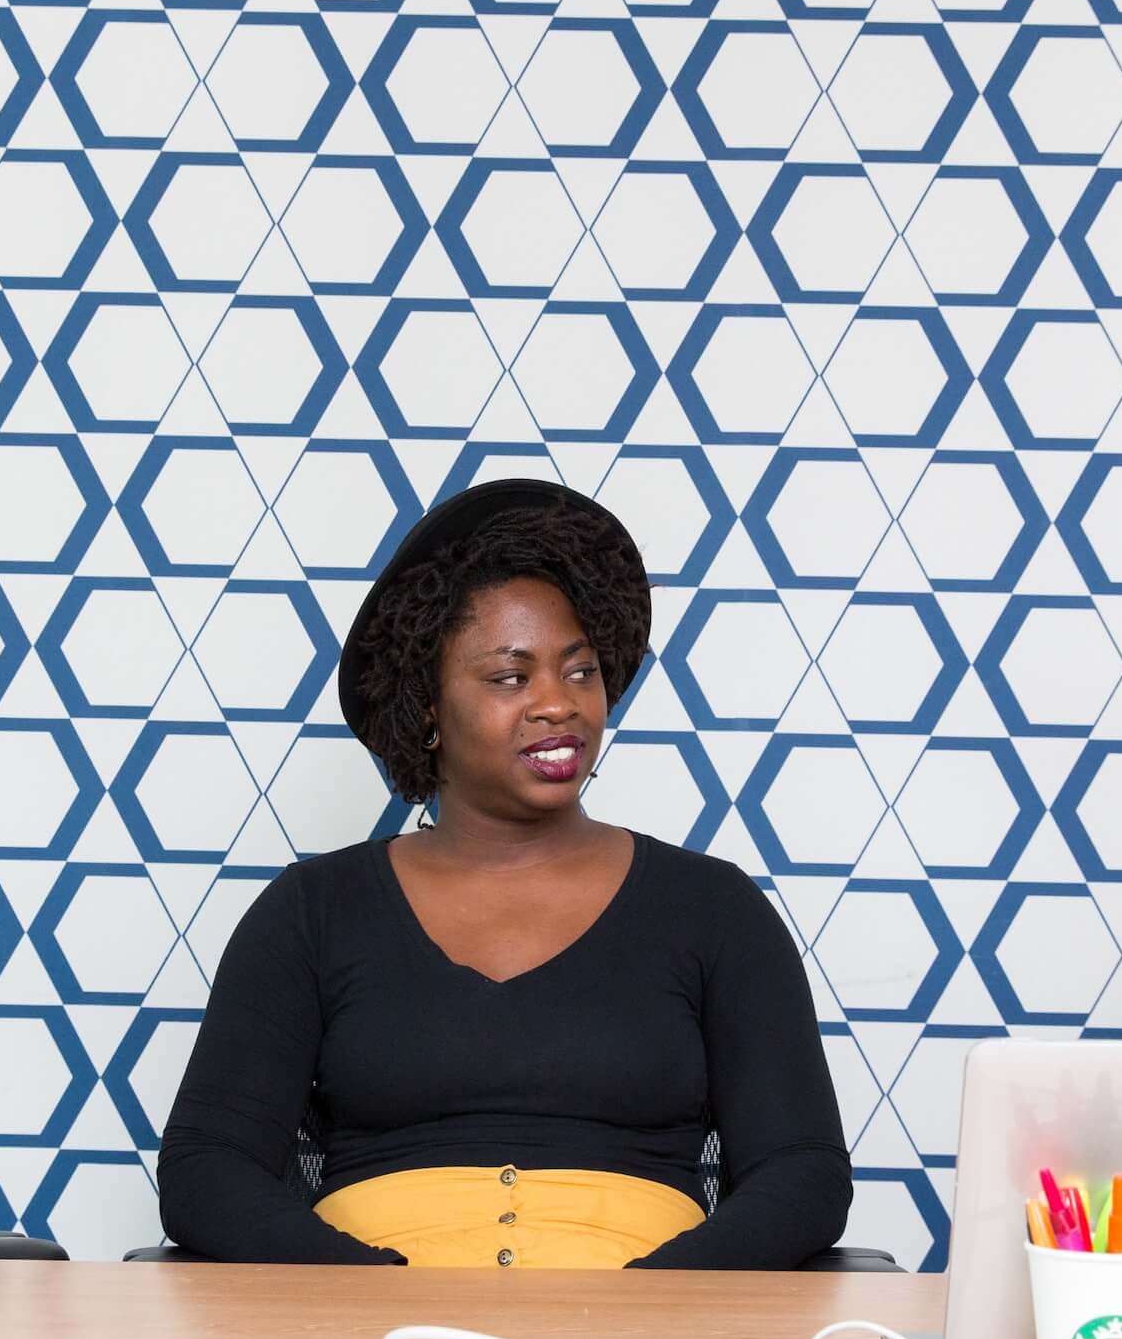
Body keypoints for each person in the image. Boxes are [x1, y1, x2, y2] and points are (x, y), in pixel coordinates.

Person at [156, 479, 852, 1267]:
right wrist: (375, 1295)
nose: (558, 704)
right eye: (510, 678)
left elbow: (803, 1173)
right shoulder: (311, 913)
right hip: (369, 1319)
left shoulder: (714, 909)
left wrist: (649, 1300)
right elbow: (207, 1170)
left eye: (579, 672)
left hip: (646, 1322)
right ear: (428, 707)